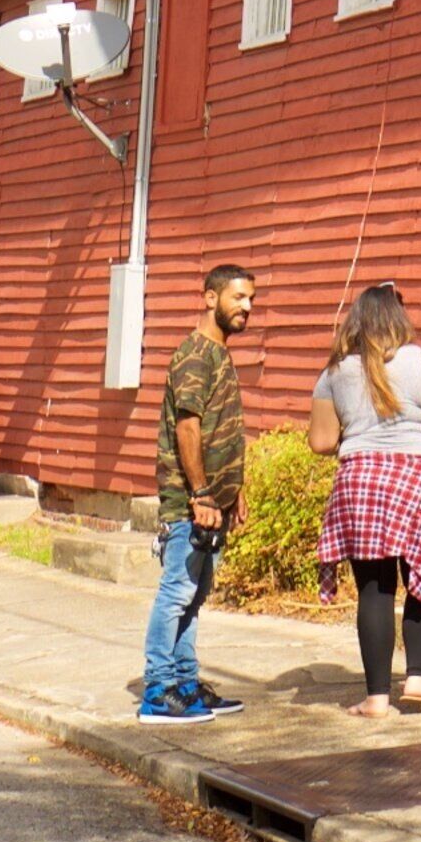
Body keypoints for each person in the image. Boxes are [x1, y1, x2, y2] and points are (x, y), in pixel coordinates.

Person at [309, 283, 421, 716]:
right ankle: (416, 677)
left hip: (359, 482)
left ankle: (376, 698)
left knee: (373, 590)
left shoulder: (335, 372)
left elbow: (321, 442)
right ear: (400, 318)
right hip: (415, 479)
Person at [135, 264, 256, 725]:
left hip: (213, 502)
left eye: (250, 300)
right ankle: (158, 690)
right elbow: (188, 428)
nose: (246, 307)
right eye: (238, 297)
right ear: (209, 298)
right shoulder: (195, 355)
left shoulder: (219, 353)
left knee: (195, 593)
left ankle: (185, 684)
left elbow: (218, 428)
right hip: (189, 503)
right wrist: (202, 495)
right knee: (176, 592)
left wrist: (232, 489)